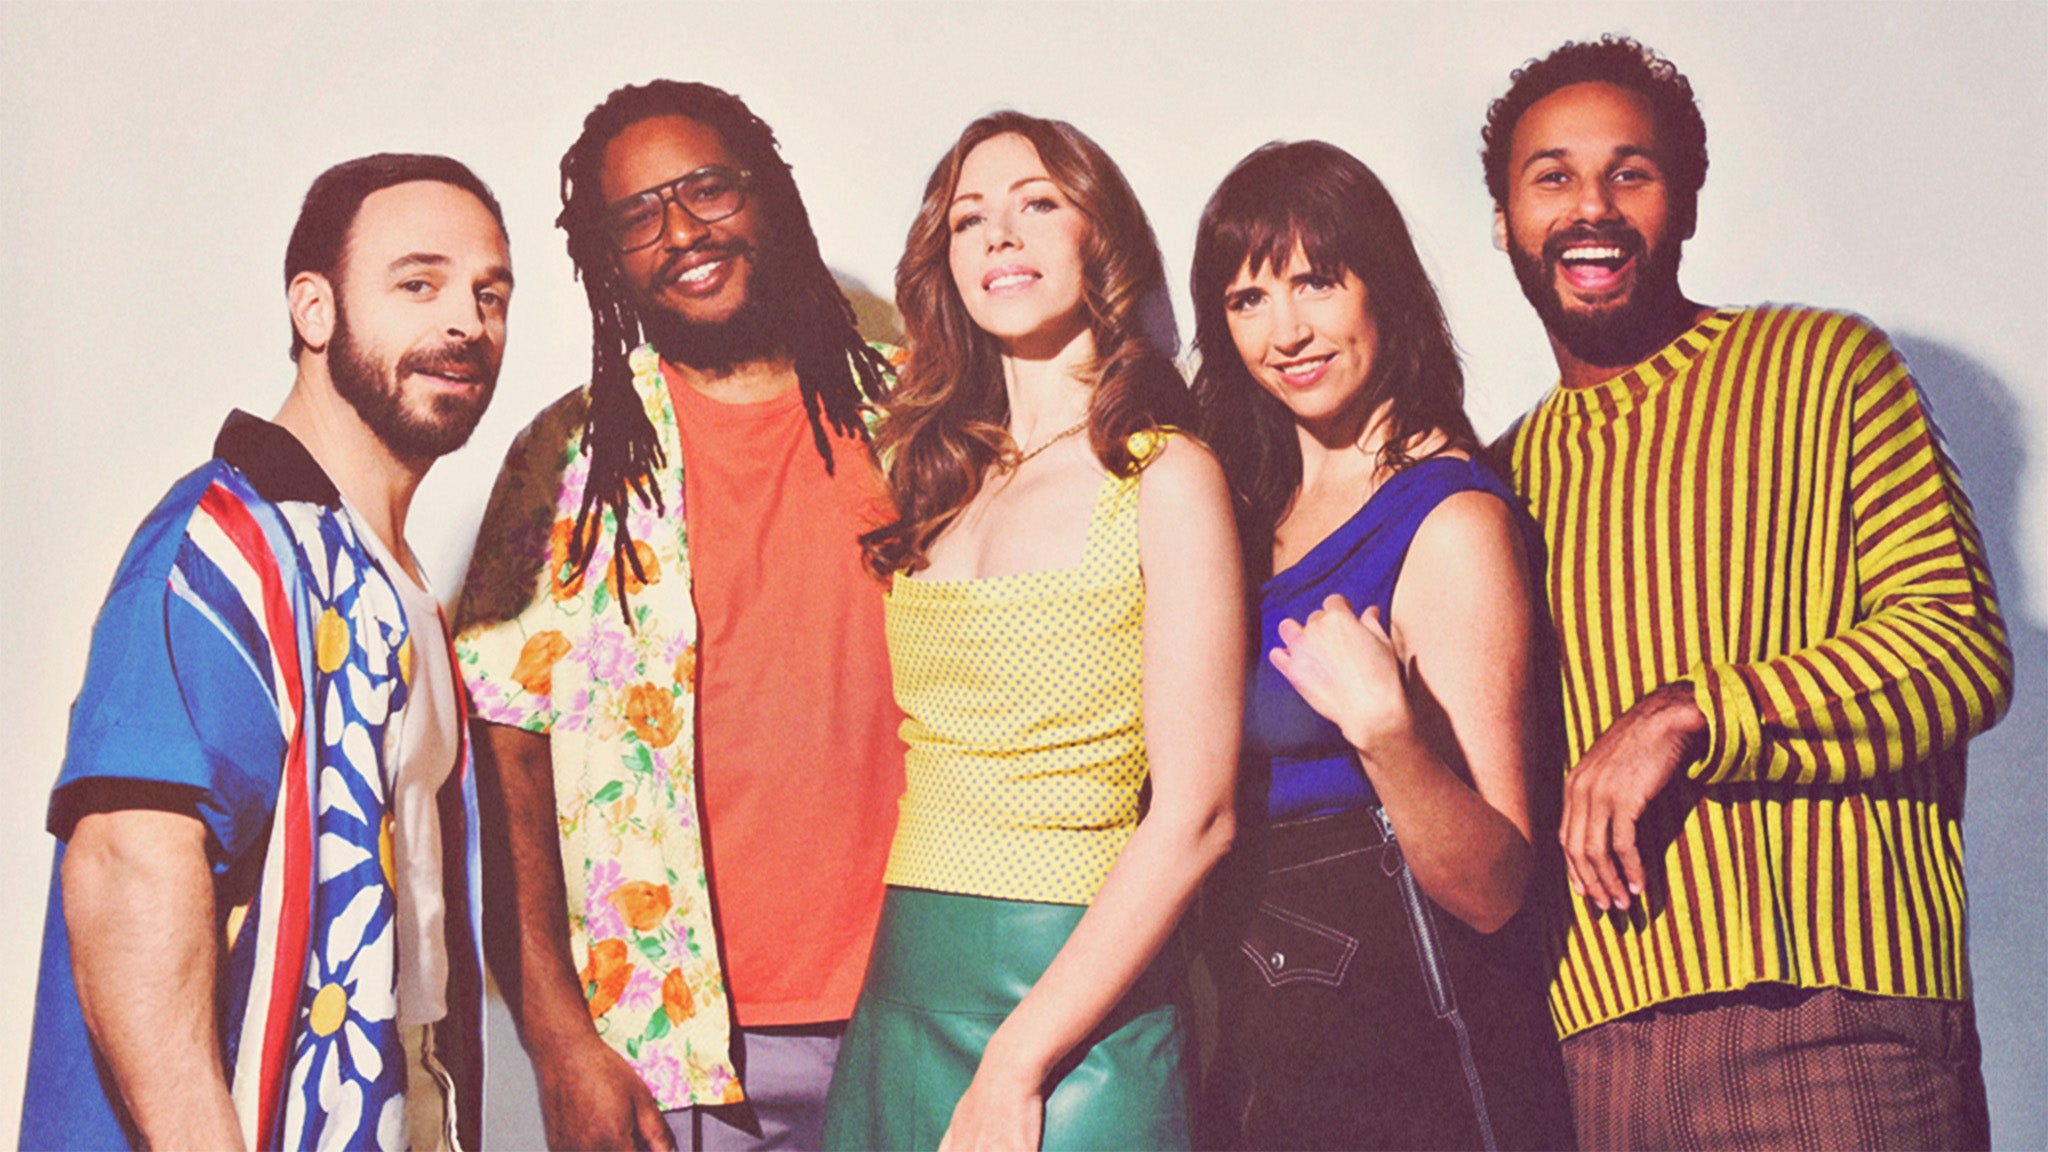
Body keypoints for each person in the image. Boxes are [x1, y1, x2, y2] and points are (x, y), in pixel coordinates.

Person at [1484, 36, 2012, 1149]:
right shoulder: (1494, 482)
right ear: (1504, 221)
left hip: (1832, 1021)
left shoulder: (1826, 368)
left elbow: (1958, 650)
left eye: (1629, 173)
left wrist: (1688, 714)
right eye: (1552, 176)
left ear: (1683, 203)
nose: (1591, 207)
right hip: (1592, 1051)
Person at [20, 153, 512, 1151]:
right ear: (314, 310)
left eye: (489, 294)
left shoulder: (388, 577)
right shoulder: (228, 549)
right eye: (418, 284)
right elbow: (128, 860)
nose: (465, 320)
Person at [453, 80, 903, 1151]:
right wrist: (554, 1038)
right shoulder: (567, 460)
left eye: (706, 188)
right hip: (676, 1044)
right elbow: (504, 757)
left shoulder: (919, 416)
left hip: (931, 1001)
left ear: (768, 195)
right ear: (605, 260)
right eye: (637, 216)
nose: (681, 232)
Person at [819, 111, 1241, 1151]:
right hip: (904, 980)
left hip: (1073, 1002)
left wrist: (1016, 1063)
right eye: (969, 219)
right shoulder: (931, 476)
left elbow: (1198, 816)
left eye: (1038, 203)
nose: (1000, 235)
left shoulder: (1164, 475)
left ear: (1102, 236)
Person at [1187, 141, 1574, 1151]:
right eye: (1248, 298)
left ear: (1381, 289)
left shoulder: (1447, 521)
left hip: (1407, 1060)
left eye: (1316, 281)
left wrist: (1388, 736)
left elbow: (1494, 890)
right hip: (1264, 1043)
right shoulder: (1247, 518)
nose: (1286, 331)